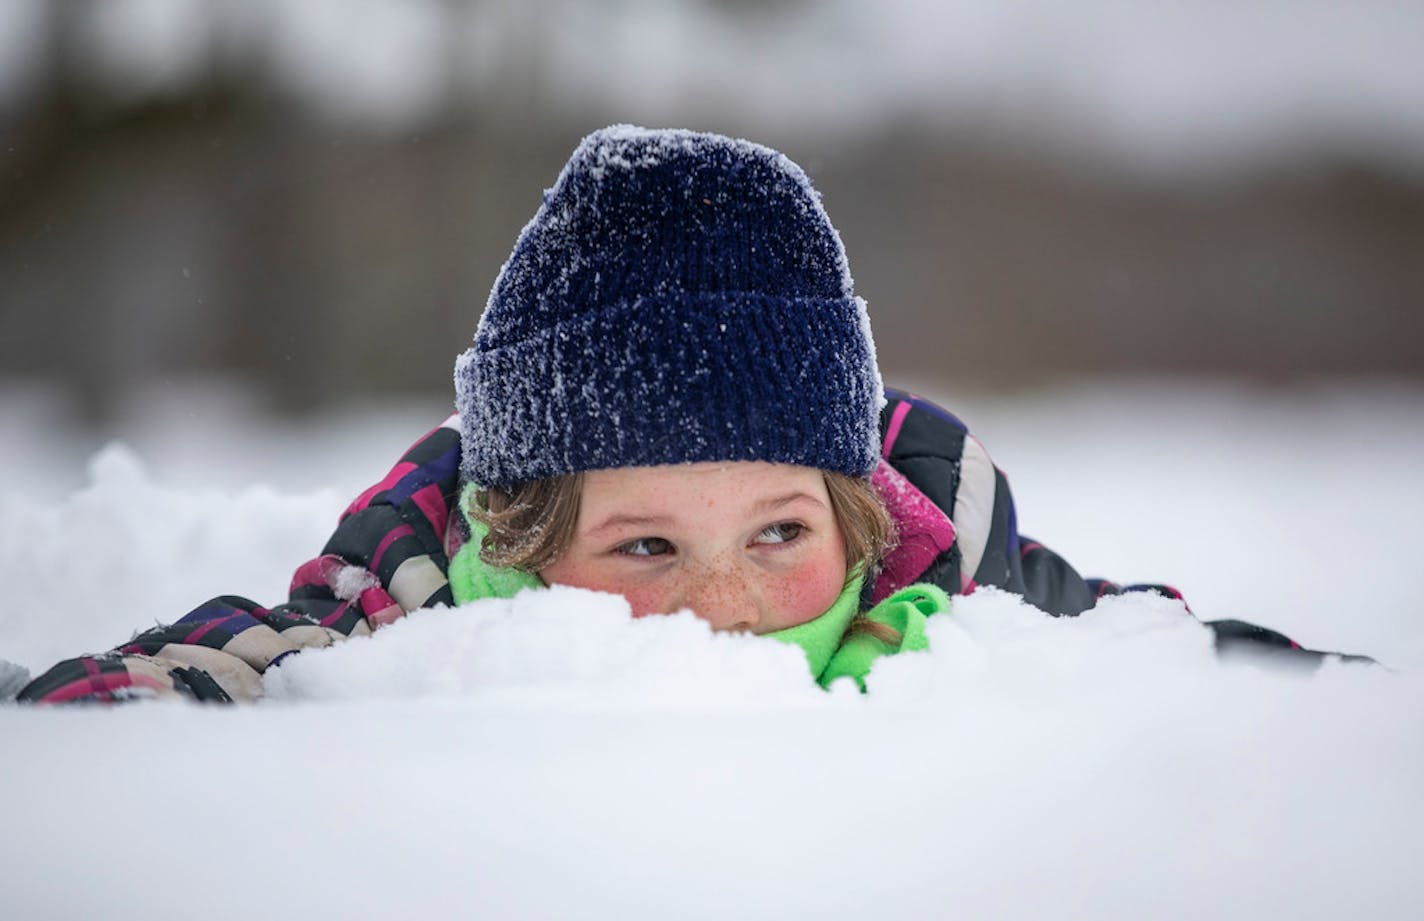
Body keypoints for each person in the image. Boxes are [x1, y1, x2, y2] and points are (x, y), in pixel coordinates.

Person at [15, 126, 1345, 704]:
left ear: (857, 513)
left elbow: (1176, 661)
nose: (727, 603)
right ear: (523, 541)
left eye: (778, 533)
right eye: (646, 547)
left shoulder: (952, 575)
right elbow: (247, 662)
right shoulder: (434, 579)